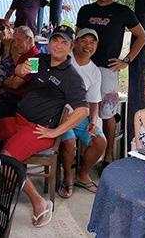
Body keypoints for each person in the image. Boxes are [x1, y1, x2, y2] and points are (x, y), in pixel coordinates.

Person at [0, 25, 89, 227]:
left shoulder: (72, 77)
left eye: (64, 42)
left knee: (6, 158)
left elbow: (83, 110)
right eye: (56, 40)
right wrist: (21, 69)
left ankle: (39, 202)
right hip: (19, 119)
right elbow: (20, 72)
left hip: (39, 129)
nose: (59, 45)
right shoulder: (42, 60)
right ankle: (5, 181)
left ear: (71, 46)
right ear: (49, 42)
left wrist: (56, 132)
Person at [75, 0, 145, 165]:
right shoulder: (85, 10)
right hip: (83, 67)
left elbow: (142, 36)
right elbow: (77, 37)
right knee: (78, 107)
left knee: (107, 112)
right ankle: (79, 152)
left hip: (108, 69)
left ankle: (107, 157)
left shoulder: (122, 11)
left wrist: (127, 60)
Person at [58, 28, 106, 197]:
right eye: (84, 41)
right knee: (69, 142)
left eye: (92, 42)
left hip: (79, 116)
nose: (88, 45)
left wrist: (93, 121)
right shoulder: (64, 59)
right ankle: (68, 178)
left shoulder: (95, 71)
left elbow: (94, 101)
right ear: (75, 43)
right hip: (58, 116)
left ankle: (82, 174)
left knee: (100, 141)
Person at [0, 26, 39, 118]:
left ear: (29, 40)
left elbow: (15, 84)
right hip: (9, 97)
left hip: (17, 103)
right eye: (14, 40)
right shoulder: (24, 55)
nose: (15, 44)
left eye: (19, 40)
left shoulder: (35, 59)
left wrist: (4, 82)